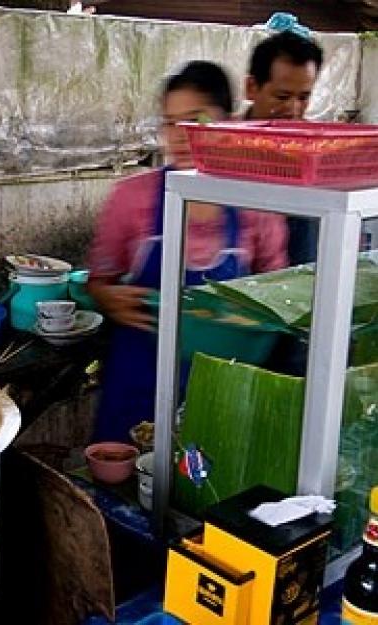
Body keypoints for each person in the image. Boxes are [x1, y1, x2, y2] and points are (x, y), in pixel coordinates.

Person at [87, 61, 288, 443]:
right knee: (124, 492)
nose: (180, 135)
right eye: (170, 122)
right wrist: (107, 299)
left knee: (201, 484)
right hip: (138, 379)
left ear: (227, 122)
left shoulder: (256, 204)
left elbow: (280, 294)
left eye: (196, 119)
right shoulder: (131, 199)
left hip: (221, 388)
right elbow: (98, 281)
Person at [245, 30, 324, 264]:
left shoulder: (315, 148)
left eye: (304, 97)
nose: (293, 109)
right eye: (282, 96)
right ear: (251, 87)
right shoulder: (217, 144)